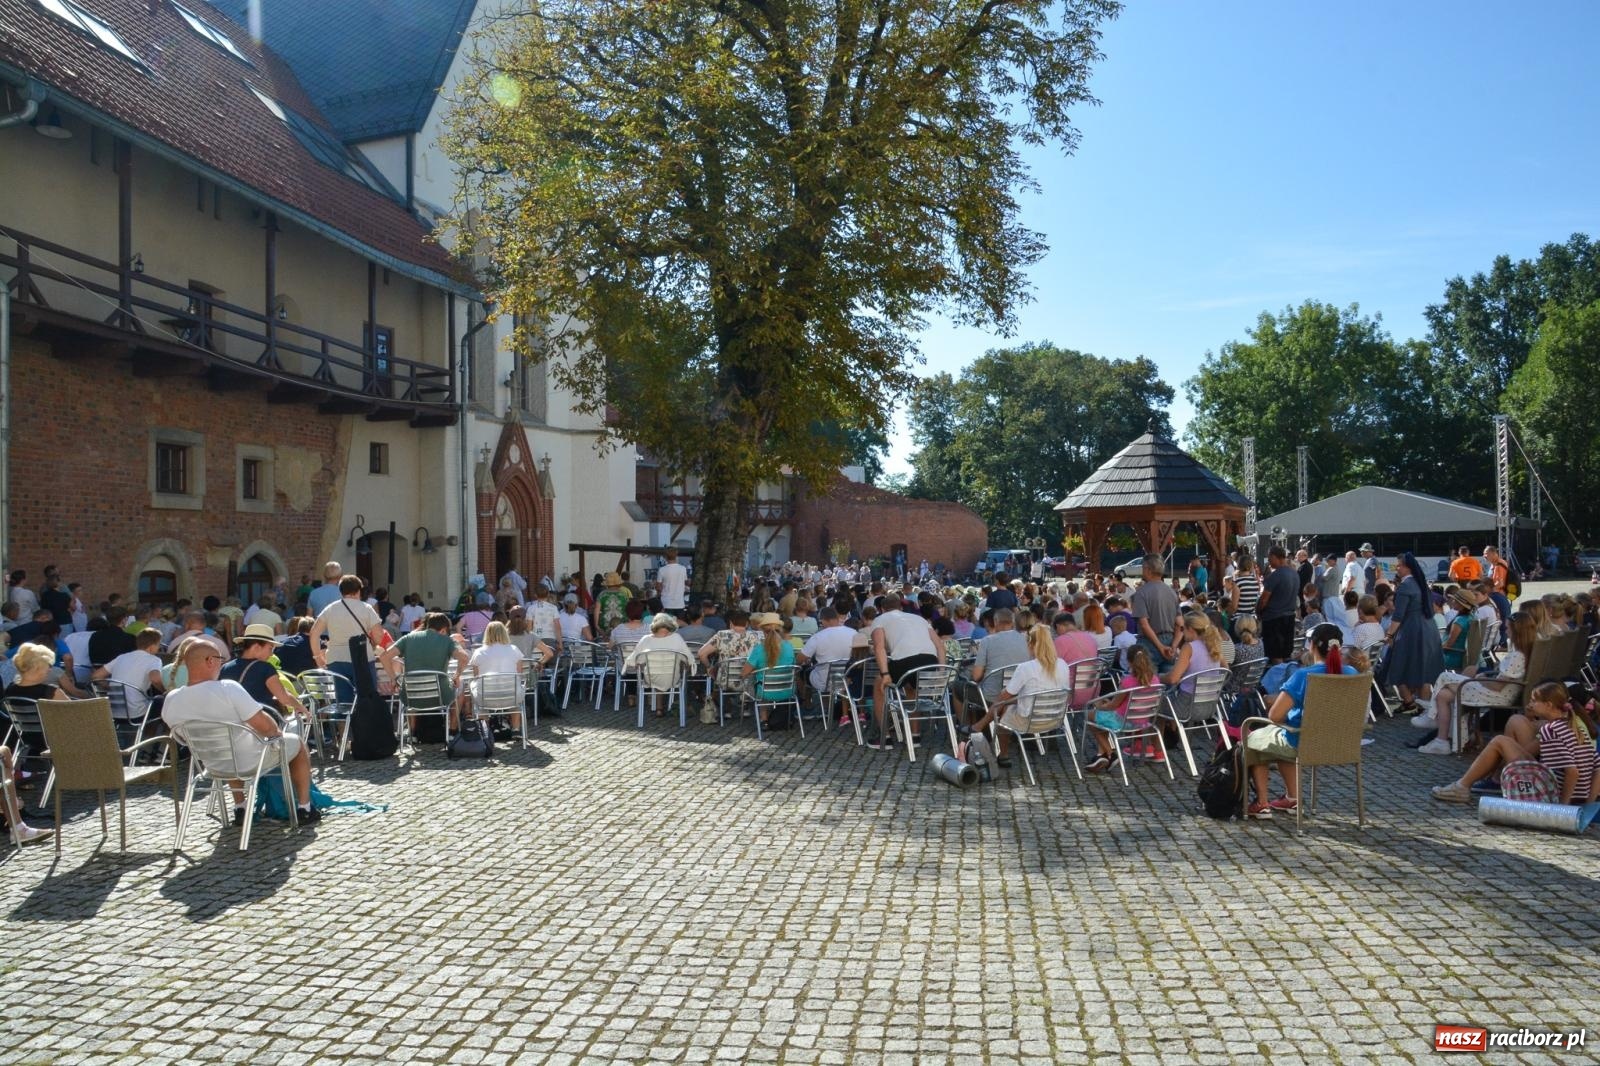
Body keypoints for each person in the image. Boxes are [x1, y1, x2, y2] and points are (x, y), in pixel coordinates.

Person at [162, 637, 320, 827]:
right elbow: (267, 727)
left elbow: (181, 738)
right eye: (220, 659)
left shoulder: (171, 699)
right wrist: (276, 734)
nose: (221, 664)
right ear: (210, 661)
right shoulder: (227, 688)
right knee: (297, 743)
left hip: (212, 765)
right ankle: (305, 807)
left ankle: (241, 807)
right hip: (249, 762)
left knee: (225, 748)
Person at [1243, 624, 1357, 819]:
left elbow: (1275, 716)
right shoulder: (1352, 673)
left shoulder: (1303, 675)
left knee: (1254, 739)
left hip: (1302, 741)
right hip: (1340, 742)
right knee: (1280, 737)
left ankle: (1262, 802)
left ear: (1312, 646)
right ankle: (1292, 798)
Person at [1432, 682, 1600, 805]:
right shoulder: (1574, 725)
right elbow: (1597, 769)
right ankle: (1471, 783)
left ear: (1549, 705)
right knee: (1504, 740)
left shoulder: (1551, 729)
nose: (1530, 704)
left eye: (1534, 701)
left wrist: (1562, 807)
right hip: (1576, 796)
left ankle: (1462, 786)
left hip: (1551, 794)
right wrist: (1589, 803)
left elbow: (1572, 772)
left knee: (1499, 741)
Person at [1414, 611, 1535, 755]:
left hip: (1496, 694)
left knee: (1445, 676)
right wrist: (1483, 677)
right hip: (1498, 692)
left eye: (1508, 628)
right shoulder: (1521, 653)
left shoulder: (1517, 656)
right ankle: (1441, 741)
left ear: (1517, 631)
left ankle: (1432, 716)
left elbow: (1498, 686)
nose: (1506, 630)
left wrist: (1480, 679)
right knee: (1443, 695)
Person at [962, 624, 1071, 767]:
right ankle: (980, 727)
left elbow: (1005, 696)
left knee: (1003, 704)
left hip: (1029, 720)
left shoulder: (1026, 668)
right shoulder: (1063, 664)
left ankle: (1002, 752)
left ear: (1030, 644)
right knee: (1008, 702)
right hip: (1056, 719)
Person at [868, 593, 944, 750]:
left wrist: (885, 674)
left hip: (905, 662)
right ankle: (915, 735)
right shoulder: (919, 619)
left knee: (879, 684)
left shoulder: (880, 620)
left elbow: (879, 648)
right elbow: (940, 646)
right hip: (930, 661)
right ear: (900, 607)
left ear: (882, 609)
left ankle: (884, 737)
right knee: (911, 688)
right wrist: (942, 671)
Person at [380, 612, 471, 731]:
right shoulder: (447, 641)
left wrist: (394, 678)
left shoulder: (408, 638)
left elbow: (384, 657)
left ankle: (412, 731)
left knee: (409, 688)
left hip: (411, 696)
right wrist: (457, 675)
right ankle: (452, 729)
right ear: (443, 629)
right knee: (461, 686)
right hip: (440, 696)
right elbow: (464, 657)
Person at [1380, 552, 1443, 712]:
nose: (1397, 568)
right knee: (1423, 670)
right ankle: (1422, 706)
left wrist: (1389, 635)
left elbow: (1398, 615)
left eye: (1399, 566)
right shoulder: (1420, 583)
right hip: (1428, 628)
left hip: (1413, 630)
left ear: (1407, 567)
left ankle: (1410, 702)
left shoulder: (1405, 586)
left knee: (1398, 665)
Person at [309, 575, 385, 699]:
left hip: (336, 659)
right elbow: (379, 634)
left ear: (341, 591)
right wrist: (373, 645)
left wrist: (317, 656)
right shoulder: (366, 608)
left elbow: (314, 633)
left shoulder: (330, 609)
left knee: (342, 702)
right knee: (367, 699)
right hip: (362, 657)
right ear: (359, 590)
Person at [1085, 646, 1160, 771]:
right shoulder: (1155, 680)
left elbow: (1114, 705)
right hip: (1144, 721)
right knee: (1102, 718)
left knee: (1090, 716)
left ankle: (1111, 753)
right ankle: (1101, 755)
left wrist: (1100, 705)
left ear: (1129, 662)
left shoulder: (1127, 681)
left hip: (1123, 721)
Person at [220, 624, 310, 721]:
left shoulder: (225, 667)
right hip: (259, 724)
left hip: (231, 722)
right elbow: (284, 697)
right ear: (256, 647)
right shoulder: (266, 668)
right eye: (270, 648)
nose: (271, 654)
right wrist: (301, 708)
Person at [466, 621, 538, 733]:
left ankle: (485, 730)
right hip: (511, 696)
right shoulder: (514, 649)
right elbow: (519, 673)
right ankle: (516, 729)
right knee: (515, 691)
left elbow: (476, 676)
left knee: (477, 692)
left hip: (486, 697)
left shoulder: (478, 652)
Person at [93, 628, 165, 724]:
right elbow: (155, 679)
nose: (159, 648)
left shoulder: (121, 657)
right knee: (162, 700)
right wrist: (165, 691)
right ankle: (149, 732)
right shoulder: (154, 660)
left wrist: (111, 686)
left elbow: (96, 676)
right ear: (152, 646)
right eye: (158, 645)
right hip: (136, 715)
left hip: (113, 713)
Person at [799, 606, 857, 723]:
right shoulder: (853, 633)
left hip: (825, 681)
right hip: (849, 679)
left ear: (824, 620)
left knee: (802, 673)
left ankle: (808, 705)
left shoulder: (818, 636)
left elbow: (800, 659)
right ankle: (831, 708)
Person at [743, 613, 797, 725]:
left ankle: (764, 719)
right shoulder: (789, 646)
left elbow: (744, 673)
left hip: (764, 693)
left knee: (758, 681)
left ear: (763, 631)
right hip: (787, 690)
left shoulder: (759, 649)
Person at [1131, 556, 1181, 672]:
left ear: (1148, 569)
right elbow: (1180, 624)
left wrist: (1160, 646)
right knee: (1168, 679)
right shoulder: (1172, 592)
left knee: (1148, 680)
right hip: (1170, 640)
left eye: (1143, 568)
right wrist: (1174, 645)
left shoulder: (1141, 593)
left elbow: (1144, 624)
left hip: (1149, 642)